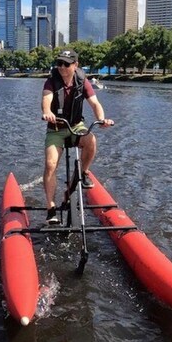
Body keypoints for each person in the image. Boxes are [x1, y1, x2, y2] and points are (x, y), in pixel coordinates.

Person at [41, 49, 114, 224]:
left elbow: (95, 103)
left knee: (91, 141)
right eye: (59, 63)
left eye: (66, 64)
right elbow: (46, 100)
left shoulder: (82, 81)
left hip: (75, 126)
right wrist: (47, 112)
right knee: (50, 164)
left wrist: (101, 119)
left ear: (76, 65)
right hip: (56, 129)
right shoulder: (51, 81)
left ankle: (83, 173)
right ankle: (51, 208)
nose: (62, 67)